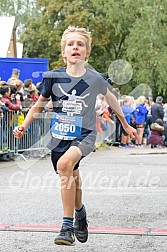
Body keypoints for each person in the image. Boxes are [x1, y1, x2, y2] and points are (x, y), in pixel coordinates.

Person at [13, 26, 137, 246]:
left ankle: (66, 226)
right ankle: (80, 213)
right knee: (72, 176)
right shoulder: (53, 77)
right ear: (64, 52)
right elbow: (39, 106)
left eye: (80, 44)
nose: (75, 47)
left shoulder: (95, 78)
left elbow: (111, 100)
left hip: (85, 135)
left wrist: (126, 125)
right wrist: (24, 126)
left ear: (87, 52)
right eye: (71, 44)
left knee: (64, 165)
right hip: (60, 136)